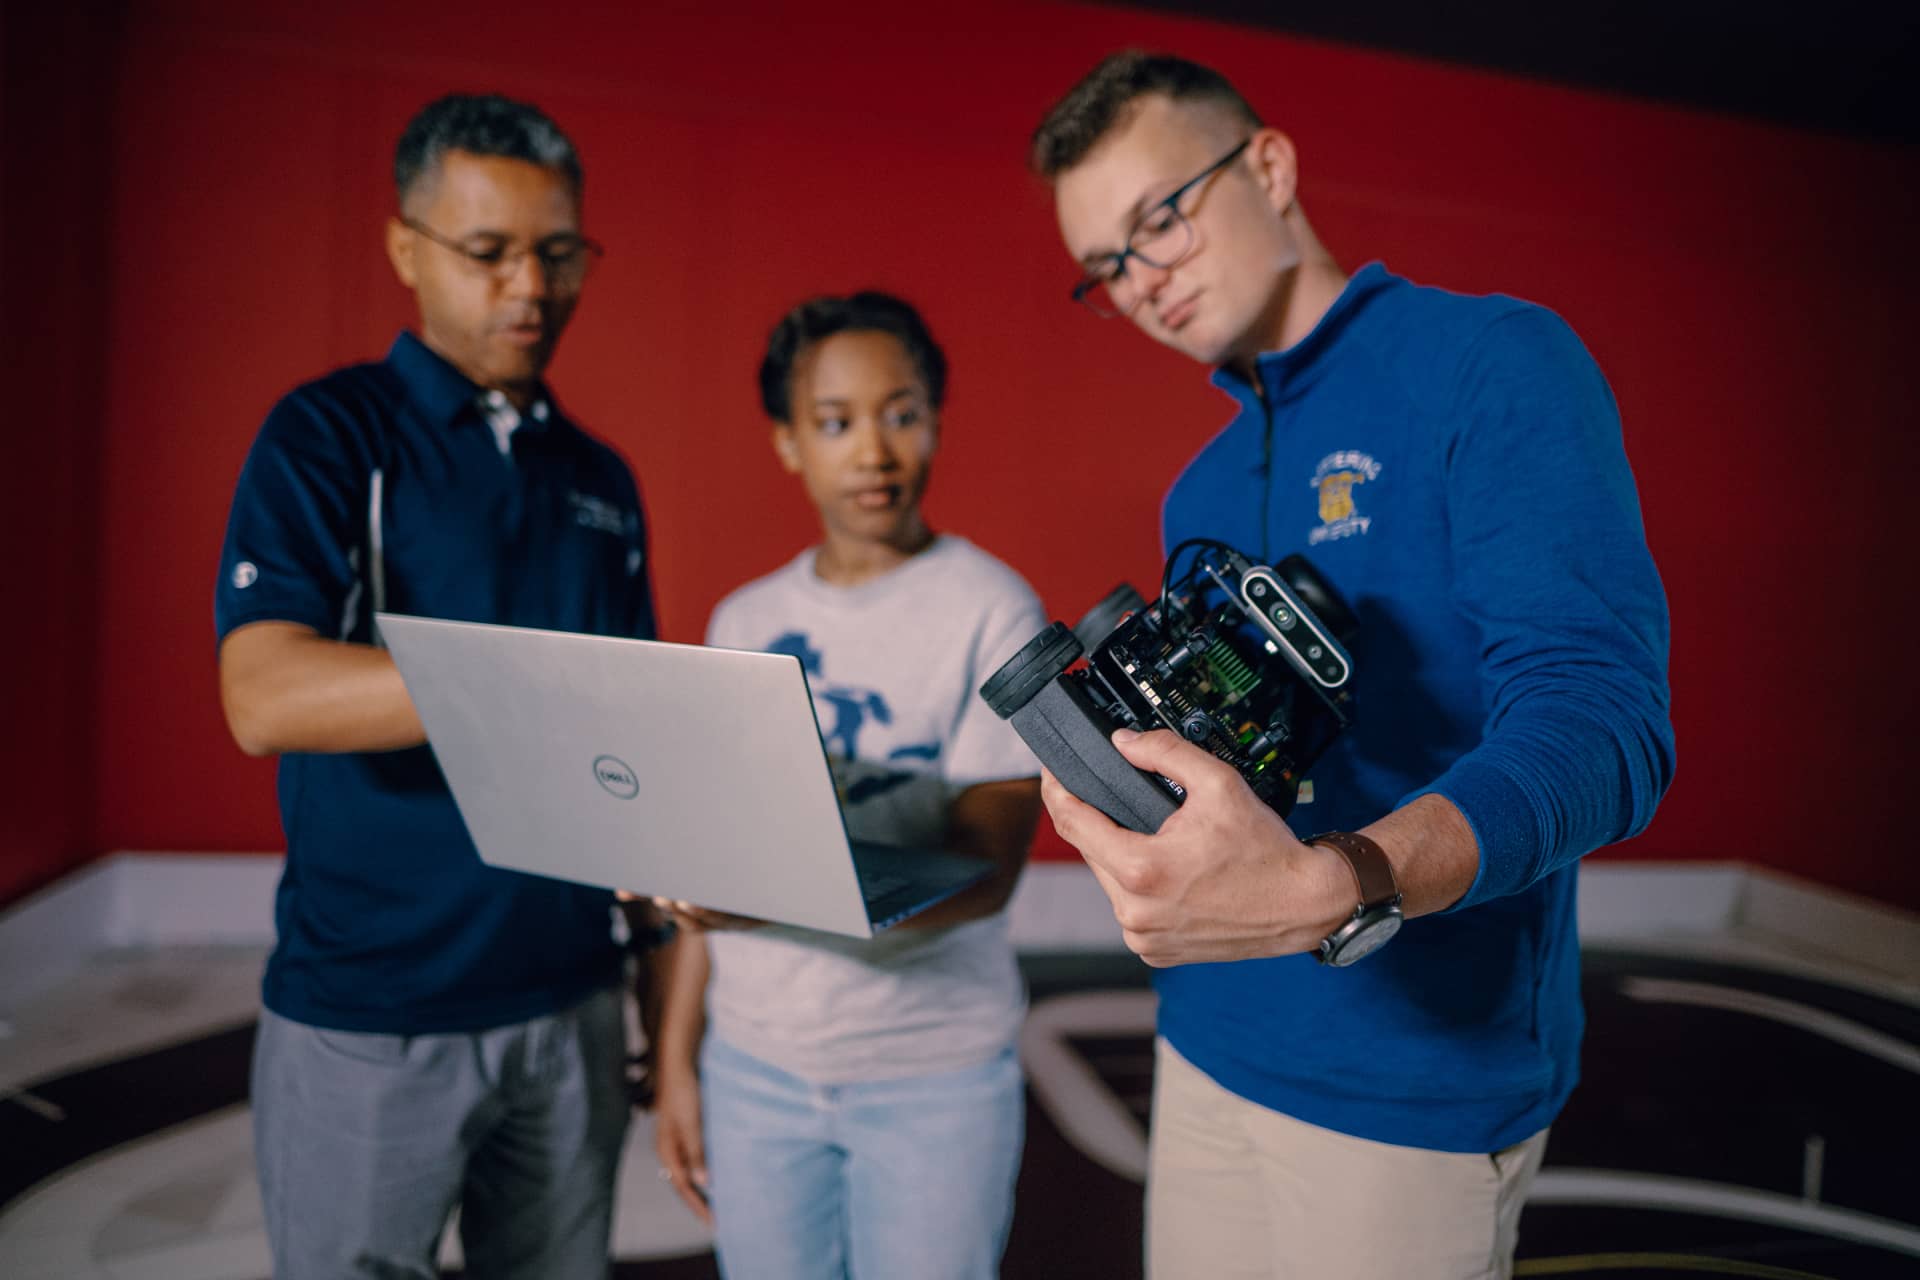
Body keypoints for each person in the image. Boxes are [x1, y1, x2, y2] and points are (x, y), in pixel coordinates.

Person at [1027, 52, 1676, 1277]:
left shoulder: (1495, 364)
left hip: (1414, 1088)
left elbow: (1606, 726)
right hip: (1209, 1039)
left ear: (1266, 165)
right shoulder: (1199, 489)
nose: (1142, 280)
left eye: (1157, 220)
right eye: (1107, 267)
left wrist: (1338, 882)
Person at [213, 93, 655, 1279]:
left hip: (570, 995)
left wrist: (661, 999)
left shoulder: (602, 477)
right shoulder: (325, 435)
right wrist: (534, 678)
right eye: (490, 251)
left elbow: (642, 757)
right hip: (372, 1005)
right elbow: (264, 693)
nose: (532, 286)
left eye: (560, 253)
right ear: (406, 248)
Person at [649, 292, 1045, 1280]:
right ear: (788, 442)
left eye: (901, 412)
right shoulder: (743, 620)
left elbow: (986, 874)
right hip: (754, 1068)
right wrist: (676, 1062)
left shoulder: (994, 609)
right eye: (834, 421)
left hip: (931, 1075)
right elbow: (707, 883)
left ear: (937, 420)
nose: (873, 449)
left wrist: (762, 895)